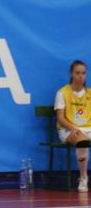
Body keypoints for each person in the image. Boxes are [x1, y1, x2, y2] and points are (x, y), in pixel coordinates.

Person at [55, 60, 91, 192]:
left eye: (83, 73)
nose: (81, 76)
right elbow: (60, 117)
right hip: (68, 130)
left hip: (88, 128)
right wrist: (73, 128)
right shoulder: (62, 92)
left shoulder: (89, 93)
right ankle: (83, 178)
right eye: (78, 73)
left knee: (84, 136)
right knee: (82, 141)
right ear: (71, 74)